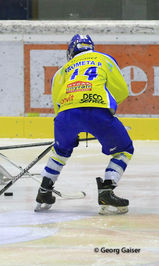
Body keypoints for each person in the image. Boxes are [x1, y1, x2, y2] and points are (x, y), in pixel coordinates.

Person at [34, 34, 134, 215]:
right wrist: (105, 112)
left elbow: (57, 104)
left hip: (66, 115)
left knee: (60, 151)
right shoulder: (104, 59)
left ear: (71, 51)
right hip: (97, 111)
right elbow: (121, 91)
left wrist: (70, 129)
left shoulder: (62, 70)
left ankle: (44, 191)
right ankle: (107, 189)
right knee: (125, 149)